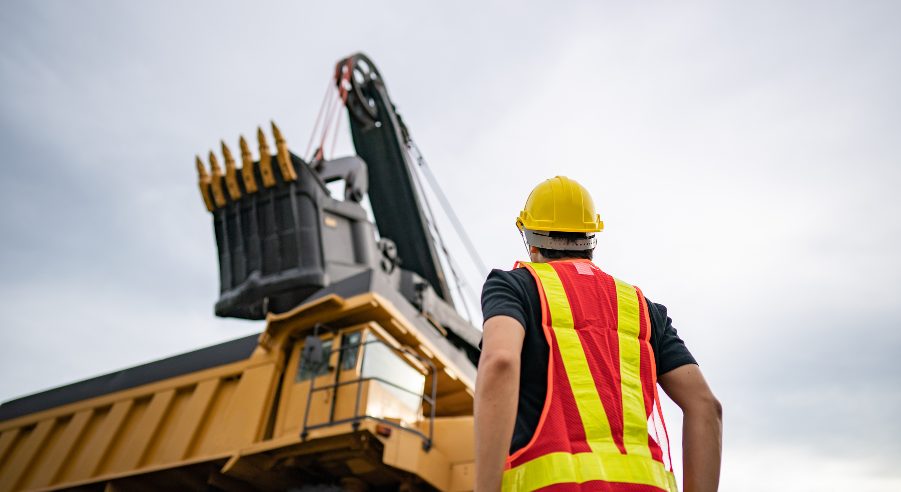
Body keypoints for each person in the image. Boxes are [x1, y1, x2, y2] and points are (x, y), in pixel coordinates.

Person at [474, 176, 722, 492]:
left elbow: (500, 362)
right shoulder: (642, 308)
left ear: (530, 240)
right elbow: (706, 407)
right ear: (592, 238)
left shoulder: (515, 287)